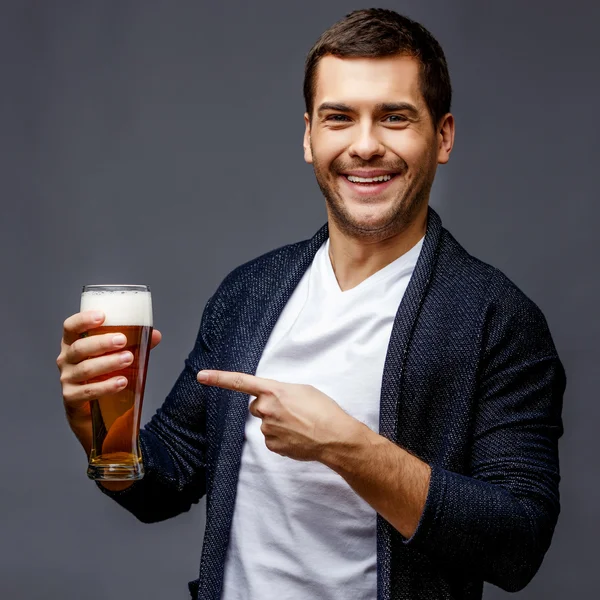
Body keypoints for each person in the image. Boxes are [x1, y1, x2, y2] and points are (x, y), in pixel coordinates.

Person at [56, 9, 565, 600]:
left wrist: (348, 447)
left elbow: (519, 542)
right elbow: (164, 480)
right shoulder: (249, 293)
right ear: (309, 136)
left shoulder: (497, 318)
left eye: (395, 118)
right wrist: (100, 433)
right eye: (339, 118)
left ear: (443, 136)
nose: (365, 144)